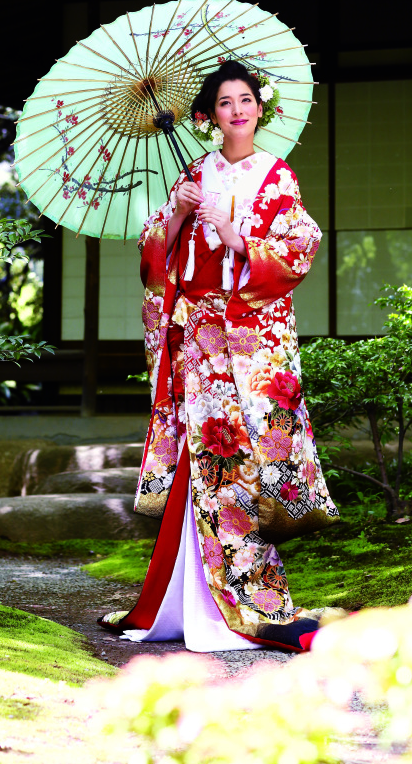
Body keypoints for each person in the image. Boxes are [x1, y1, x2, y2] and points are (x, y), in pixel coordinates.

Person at [100, 60, 338, 652]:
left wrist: (239, 241)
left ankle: (233, 599)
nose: (237, 110)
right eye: (225, 102)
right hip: (200, 341)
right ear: (210, 115)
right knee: (211, 460)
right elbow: (154, 261)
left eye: (246, 100)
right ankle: (205, 602)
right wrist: (180, 211)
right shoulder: (193, 173)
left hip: (251, 343)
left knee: (240, 462)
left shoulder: (278, 177)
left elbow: (300, 247)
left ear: (262, 108)